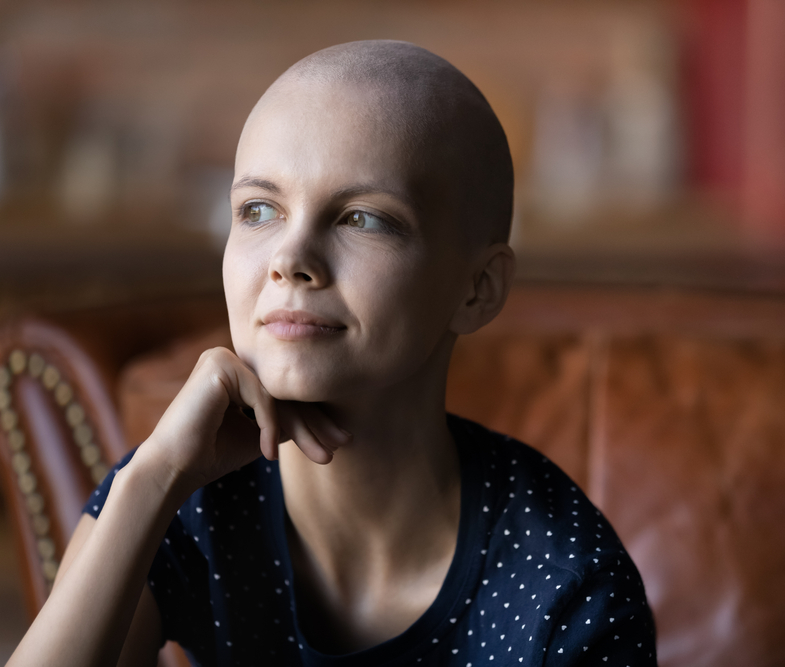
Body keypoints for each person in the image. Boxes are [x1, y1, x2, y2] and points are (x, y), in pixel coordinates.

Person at [9, 41, 656, 666]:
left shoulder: (569, 587)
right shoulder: (183, 496)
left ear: (477, 288)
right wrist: (152, 478)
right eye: (258, 209)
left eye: (362, 218)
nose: (290, 260)